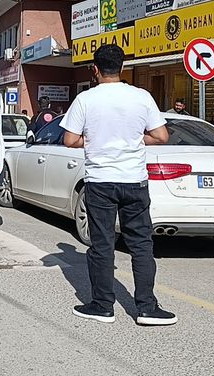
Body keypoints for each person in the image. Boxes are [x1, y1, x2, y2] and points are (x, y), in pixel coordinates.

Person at [60, 44, 176, 326]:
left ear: (95, 69)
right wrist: (135, 140)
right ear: (122, 68)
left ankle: (102, 306)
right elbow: (162, 136)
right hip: (134, 182)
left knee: (102, 246)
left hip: (101, 182)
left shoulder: (86, 99)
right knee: (141, 245)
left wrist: (97, 141)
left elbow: (70, 140)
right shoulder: (141, 97)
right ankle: (147, 308)